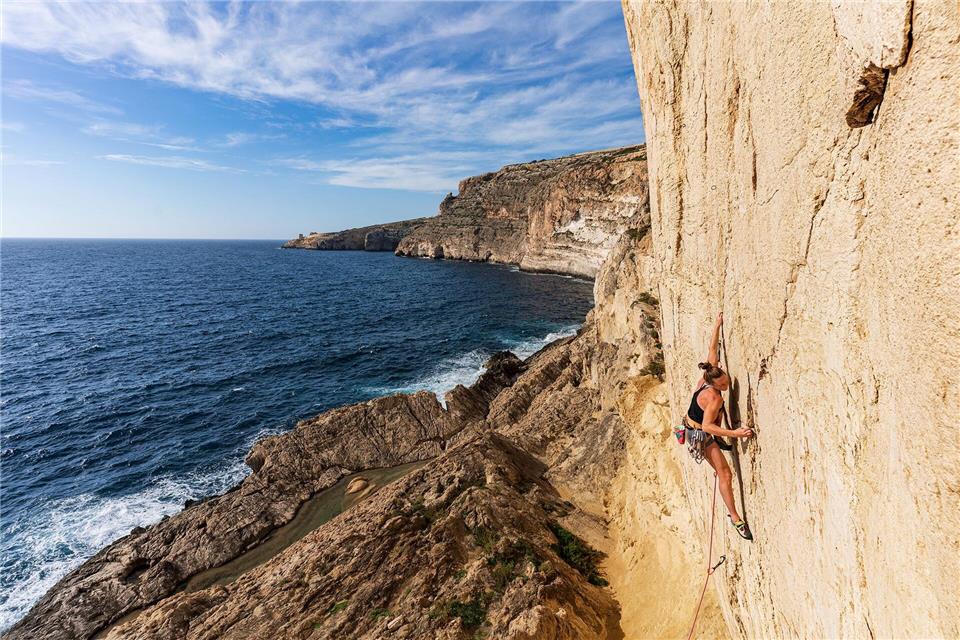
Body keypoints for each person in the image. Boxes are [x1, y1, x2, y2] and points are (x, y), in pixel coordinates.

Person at [683, 312, 754, 540]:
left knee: (721, 464)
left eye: (725, 380)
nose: (725, 385)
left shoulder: (708, 374)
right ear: (712, 384)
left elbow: (712, 350)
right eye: (721, 384)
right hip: (699, 435)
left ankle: (722, 443)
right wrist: (735, 433)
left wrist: (717, 324)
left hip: (693, 424)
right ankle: (735, 518)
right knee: (724, 473)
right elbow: (708, 427)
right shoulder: (713, 398)